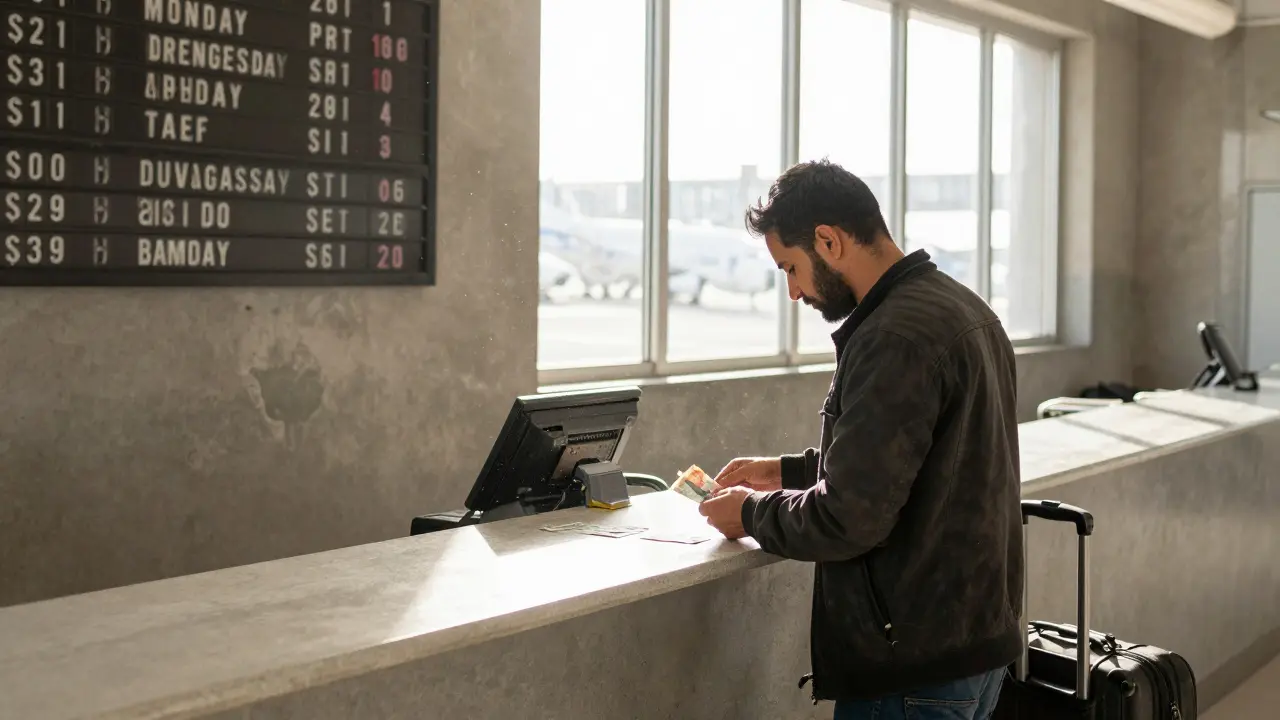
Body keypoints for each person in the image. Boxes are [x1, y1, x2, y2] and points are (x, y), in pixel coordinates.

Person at [698, 159, 1023, 720]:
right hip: (977, 646)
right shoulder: (965, 309)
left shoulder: (892, 337)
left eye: (791, 267)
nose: (795, 292)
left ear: (829, 240)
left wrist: (751, 516)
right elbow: (926, 463)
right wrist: (791, 472)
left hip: (911, 668)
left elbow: (851, 519)